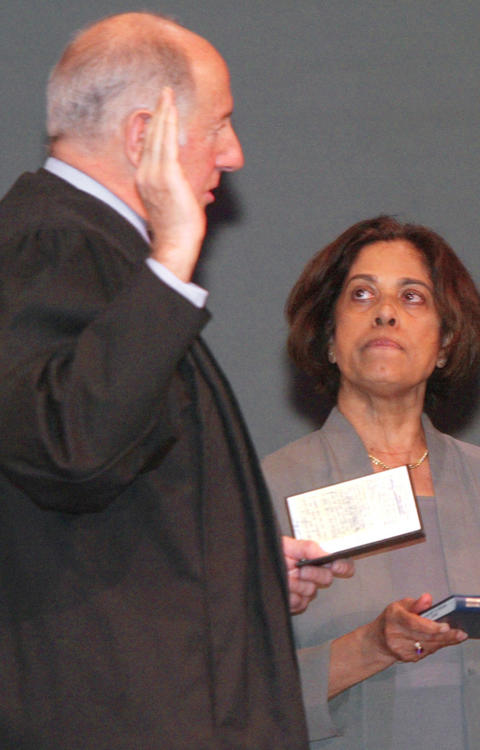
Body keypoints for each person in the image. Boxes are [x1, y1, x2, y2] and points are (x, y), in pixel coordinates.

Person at [0, 13, 348, 748]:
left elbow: (108, 480)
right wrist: (174, 254)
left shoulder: (86, 250)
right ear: (143, 137)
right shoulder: (50, 239)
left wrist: (240, 562)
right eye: (218, 125)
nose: (235, 153)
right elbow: (69, 445)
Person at [262, 215, 480, 749]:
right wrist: (372, 646)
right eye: (361, 295)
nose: (385, 312)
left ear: (446, 344)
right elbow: (224, 692)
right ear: (330, 340)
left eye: (412, 298)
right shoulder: (267, 492)